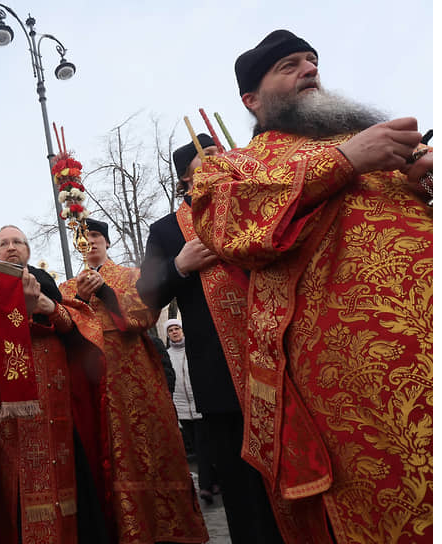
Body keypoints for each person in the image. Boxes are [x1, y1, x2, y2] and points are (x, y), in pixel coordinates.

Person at [188, 29, 433, 543]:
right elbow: (229, 226)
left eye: (312, 60)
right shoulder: (231, 166)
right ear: (251, 100)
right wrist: (346, 161)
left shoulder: (377, 149)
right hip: (361, 376)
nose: (309, 69)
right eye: (289, 65)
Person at [137, 134, 283, 543]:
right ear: (187, 177)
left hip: (282, 361)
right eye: (210, 158)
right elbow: (144, 298)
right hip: (221, 379)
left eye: (223, 154)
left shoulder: (255, 208)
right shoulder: (166, 230)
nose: (223, 162)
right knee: (243, 492)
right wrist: (178, 267)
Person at [55, 218, 208, 544]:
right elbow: (63, 329)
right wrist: (81, 300)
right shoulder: (67, 288)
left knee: (148, 455)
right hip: (91, 386)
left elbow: (145, 315)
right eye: (85, 236)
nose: (91, 241)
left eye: (96, 235)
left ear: (107, 242)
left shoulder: (132, 277)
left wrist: (107, 293)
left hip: (136, 383)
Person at [0, 225, 107, 544]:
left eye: (17, 242)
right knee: (8, 484)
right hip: (3, 401)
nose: (11, 247)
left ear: (28, 250)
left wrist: (47, 309)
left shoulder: (43, 280)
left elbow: (75, 328)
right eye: (3, 243)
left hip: (52, 395)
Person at [162, 319, 220, 506]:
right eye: (170, 330)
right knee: (199, 447)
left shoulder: (193, 350)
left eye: (177, 328)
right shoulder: (168, 354)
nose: (174, 332)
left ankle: (204, 487)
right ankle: (215, 481)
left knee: (203, 447)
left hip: (199, 406)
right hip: (182, 410)